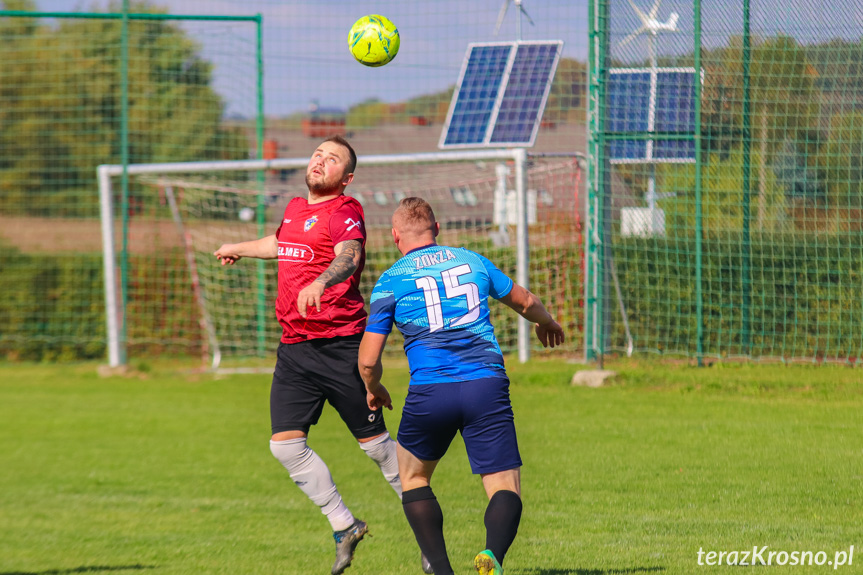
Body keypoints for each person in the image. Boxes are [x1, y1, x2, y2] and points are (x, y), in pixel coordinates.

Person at [214, 136, 410, 575]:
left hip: (341, 347)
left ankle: (424, 526)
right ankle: (345, 525)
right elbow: (282, 244)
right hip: (295, 350)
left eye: (333, 158)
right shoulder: (294, 209)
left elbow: (350, 252)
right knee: (285, 447)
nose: (321, 161)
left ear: (347, 177)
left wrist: (321, 282)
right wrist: (238, 248)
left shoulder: (345, 211)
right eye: (318, 154)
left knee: (378, 450)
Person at [358, 197, 565, 575]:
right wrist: (546, 321)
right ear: (437, 231)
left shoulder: (390, 280)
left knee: (414, 477)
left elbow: (369, 359)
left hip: (430, 392)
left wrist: (374, 387)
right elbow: (525, 300)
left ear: (394, 236)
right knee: (504, 483)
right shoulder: (471, 260)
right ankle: (493, 555)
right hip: (485, 384)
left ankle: (440, 568)